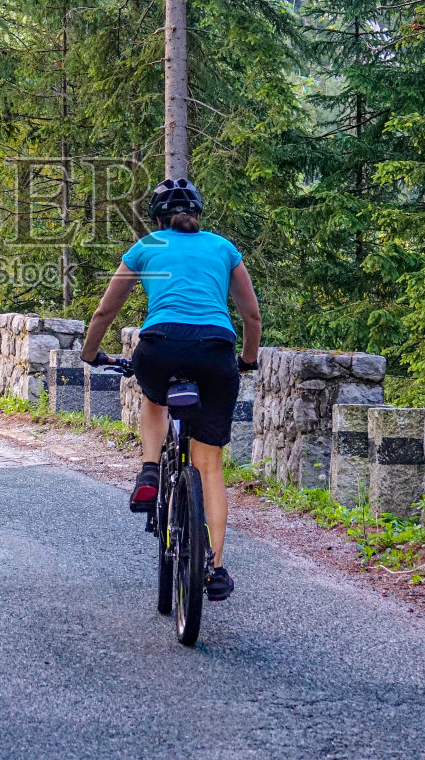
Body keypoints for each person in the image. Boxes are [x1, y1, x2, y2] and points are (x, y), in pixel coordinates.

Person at [81, 178, 261, 602]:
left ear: (158, 219)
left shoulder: (146, 247)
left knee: (154, 395)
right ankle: (216, 568)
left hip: (160, 346)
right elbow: (251, 316)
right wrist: (247, 360)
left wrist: (91, 353)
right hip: (215, 351)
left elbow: (106, 310)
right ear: (197, 215)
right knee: (209, 465)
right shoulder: (223, 248)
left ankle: (149, 469)